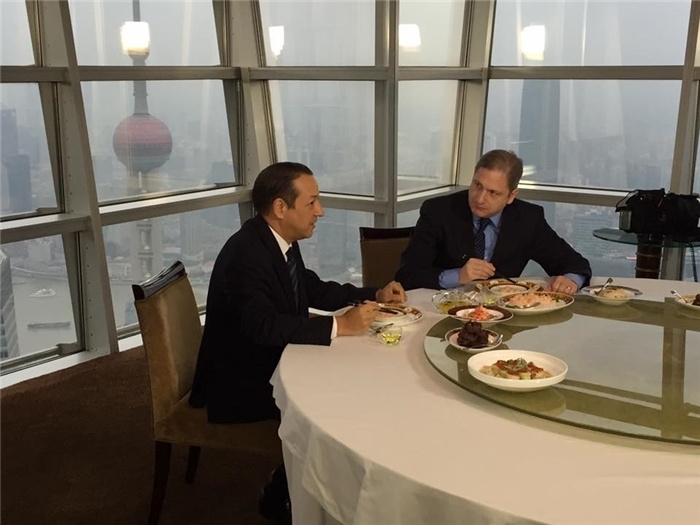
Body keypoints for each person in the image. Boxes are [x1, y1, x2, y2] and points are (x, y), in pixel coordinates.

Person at [189, 161, 406, 524]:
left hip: (268, 356)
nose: (320, 211)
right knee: (341, 398)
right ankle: (295, 491)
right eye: (312, 202)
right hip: (240, 379)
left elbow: (309, 287)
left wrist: (374, 294)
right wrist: (339, 325)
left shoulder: (276, 240)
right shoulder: (247, 255)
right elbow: (262, 326)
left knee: (357, 373)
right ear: (280, 207)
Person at [395, 149, 591, 293]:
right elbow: (407, 275)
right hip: (442, 312)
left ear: (511, 196)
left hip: (504, 316)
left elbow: (576, 264)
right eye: (477, 185)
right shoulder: (439, 211)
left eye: (493, 193)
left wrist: (571, 280)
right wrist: (458, 275)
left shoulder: (528, 219)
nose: (480, 198)